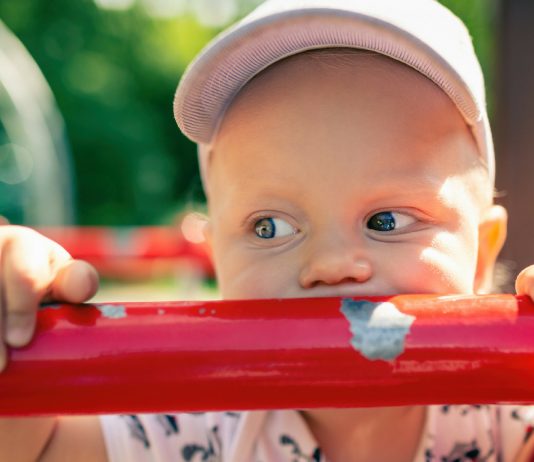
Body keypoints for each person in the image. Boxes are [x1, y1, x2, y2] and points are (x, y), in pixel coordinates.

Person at [2, 0, 534, 460]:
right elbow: (33, 449)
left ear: (483, 252)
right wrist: (18, 329)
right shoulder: (195, 421)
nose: (329, 265)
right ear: (217, 259)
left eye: (386, 221)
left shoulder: (509, 417)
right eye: (270, 227)